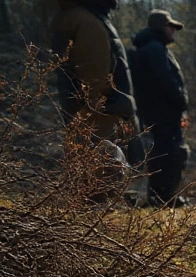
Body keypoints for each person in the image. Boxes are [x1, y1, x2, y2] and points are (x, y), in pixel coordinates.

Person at [51, 0, 136, 147]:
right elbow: (95, 85)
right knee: (109, 167)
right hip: (102, 125)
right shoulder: (89, 23)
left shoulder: (81, 17)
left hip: (91, 123)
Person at [131, 9, 189, 206]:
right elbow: (165, 82)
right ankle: (163, 197)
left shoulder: (152, 48)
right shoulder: (154, 49)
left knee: (165, 153)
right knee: (169, 154)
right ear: (160, 27)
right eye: (170, 26)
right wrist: (181, 101)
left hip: (159, 112)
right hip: (163, 113)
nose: (173, 31)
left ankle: (161, 196)